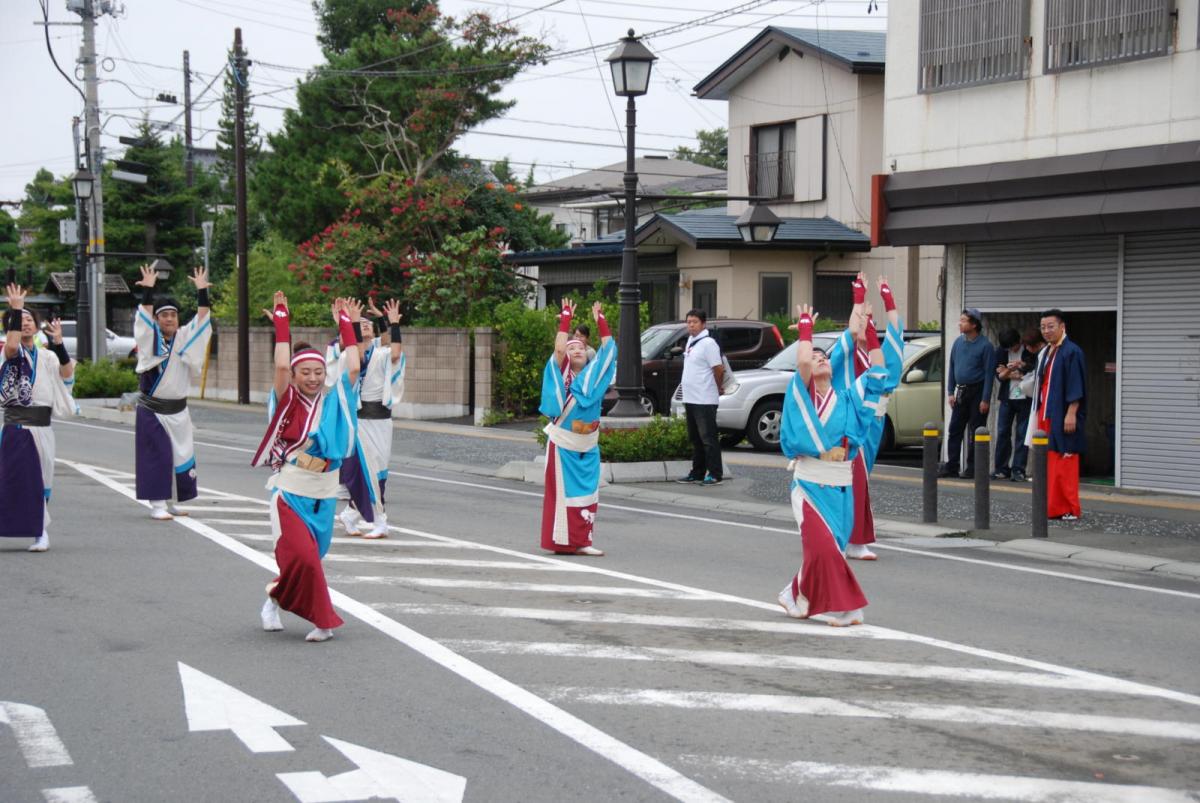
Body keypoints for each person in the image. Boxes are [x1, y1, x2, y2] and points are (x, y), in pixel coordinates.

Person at [252, 293, 361, 642]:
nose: (313, 378)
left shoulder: (335, 401)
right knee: (303, 558)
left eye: (318, 372)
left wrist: (346, 325)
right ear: (296, 376)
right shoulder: (287, 401)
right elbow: (281, 367)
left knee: (310, 559)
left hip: (324, 492)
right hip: (291, 490)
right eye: (306, 373)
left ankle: (273, 597)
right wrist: (282, 322)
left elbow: (353, 367)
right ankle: (324, 622)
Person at [132, 264, 212, 520]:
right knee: (158, 456)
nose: (169, 319)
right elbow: (143, 321)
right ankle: (157, 504)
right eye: (164, 315)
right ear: (157, 319)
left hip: (178, 410)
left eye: (173, 315)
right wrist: (148, 290)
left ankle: (172, 501)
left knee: (181, 456)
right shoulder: (150, 339)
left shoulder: (185, 337)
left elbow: (202, 321)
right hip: (153, 411)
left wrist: (202, 292)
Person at [1, 286, 75, 552]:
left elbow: (67, 374)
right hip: (18, 426)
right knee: (18, 480)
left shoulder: (47, 355)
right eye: (20, 320)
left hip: (43, 426)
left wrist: (60, 344)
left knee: (44, 480)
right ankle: (38, 531)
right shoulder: (8, 352)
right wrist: (15, 308)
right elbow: (12, 345)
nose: (25, 323)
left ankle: (38, 530)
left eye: (29, 319)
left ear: (36, 325)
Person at [539, 298, 616, 556]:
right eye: (572, 348)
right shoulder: (564, 377)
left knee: (588, 495)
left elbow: (609, 351)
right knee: (564, 496)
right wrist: (565, 320)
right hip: (564, 445)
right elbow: (559, 351)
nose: (576, 350)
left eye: (581, 347)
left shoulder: (594, 377)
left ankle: (583, 542)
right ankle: (563, 542)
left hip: (588, 445)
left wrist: (601, 321)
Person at [835, 276, 905, 561]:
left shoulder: (881, 356)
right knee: (854, 480)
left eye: (871, 320)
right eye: (864, 319)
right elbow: (852, 329)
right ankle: (851, 539)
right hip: (851, 422)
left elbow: (897, 330)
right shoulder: (849, 356)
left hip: (874, 423)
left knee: (860, 480)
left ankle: (847, 537)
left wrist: (888, 298)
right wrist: (858, 298)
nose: (866, 323)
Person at [336, 299, 406, 539]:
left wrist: (392, 323)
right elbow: (355, 355)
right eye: (361, 324)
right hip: (361, 421)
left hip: (383, 420)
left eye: (369, 324)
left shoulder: (381, 354)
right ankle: (380, 520)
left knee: (380, 470)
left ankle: (351, 513)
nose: (365, 326)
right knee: (370, 470)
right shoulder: (347, 357)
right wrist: (352, 323)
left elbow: (395, 352)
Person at [1024, 309, 1087, 520]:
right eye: (1043, 327)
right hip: (1046, 411)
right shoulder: (1047, 351)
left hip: (1063, 412)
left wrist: (1072, 413)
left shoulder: (1072, 351)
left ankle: (1068, 507)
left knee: (1065, 459)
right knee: (1049, 459)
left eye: (1051, 326)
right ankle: (1051, 506)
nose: (1046, 331)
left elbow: (1076, 384)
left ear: (1062, 327)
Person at [940, 307, 994, 479]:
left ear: (974, 324)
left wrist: (985, 398)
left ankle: (973, 467)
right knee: (955, 428)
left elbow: (989, 374)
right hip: (961, 390)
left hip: (978, 390)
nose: (960, 323)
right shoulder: (958, 342)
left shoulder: (986, 346)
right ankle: (952, 466)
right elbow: (952, 367)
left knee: (976, 430)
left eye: (963, 321)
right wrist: (950, 391)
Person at [675, 308, 725, 486]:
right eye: (688, 322)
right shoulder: (691, 341)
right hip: (691, 397)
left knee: (708, 438)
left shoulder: (708, 343)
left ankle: (715, 473)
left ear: (703, 324)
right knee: (696, 438)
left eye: (695, 322)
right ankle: (697, 472)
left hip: (704, 398)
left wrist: (717, 387)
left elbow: (718, 368)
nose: (691, 325)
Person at [991, 328, 1036, 482]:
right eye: (1008, 348)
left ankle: (1018, 469)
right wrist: (1013, 373)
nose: (1011, 350)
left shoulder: (1028, 351)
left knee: (1022, 434)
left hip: (1025, 397)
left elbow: (1031, 372)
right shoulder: (1001, 352)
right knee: (1003, 432)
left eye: (1013, 346)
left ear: (1019, 341)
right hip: (1007, 398)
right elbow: (999, 376)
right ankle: (1001, 468)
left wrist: (1012, 371)